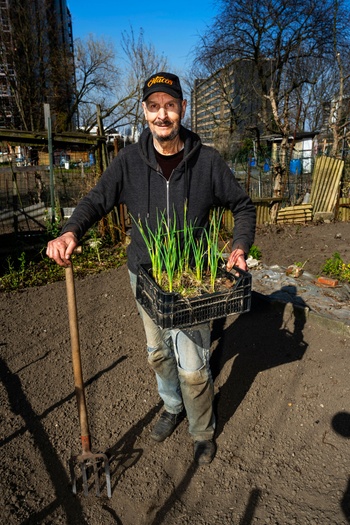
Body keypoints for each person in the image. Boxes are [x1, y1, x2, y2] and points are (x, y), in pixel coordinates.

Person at [47, 72, 256, 465]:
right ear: (144, 111)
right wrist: (70, 231)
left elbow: (243, 206)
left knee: (193, 365)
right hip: (143, 275)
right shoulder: (128, 161)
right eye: (155, 106)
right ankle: (172, 406)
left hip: (189, 278)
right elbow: (95, 200)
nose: (163, 115)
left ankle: (202, 431)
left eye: (171, 105)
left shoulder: (207, 160)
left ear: (182, 109)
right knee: (158, 353)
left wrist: (240, 246)